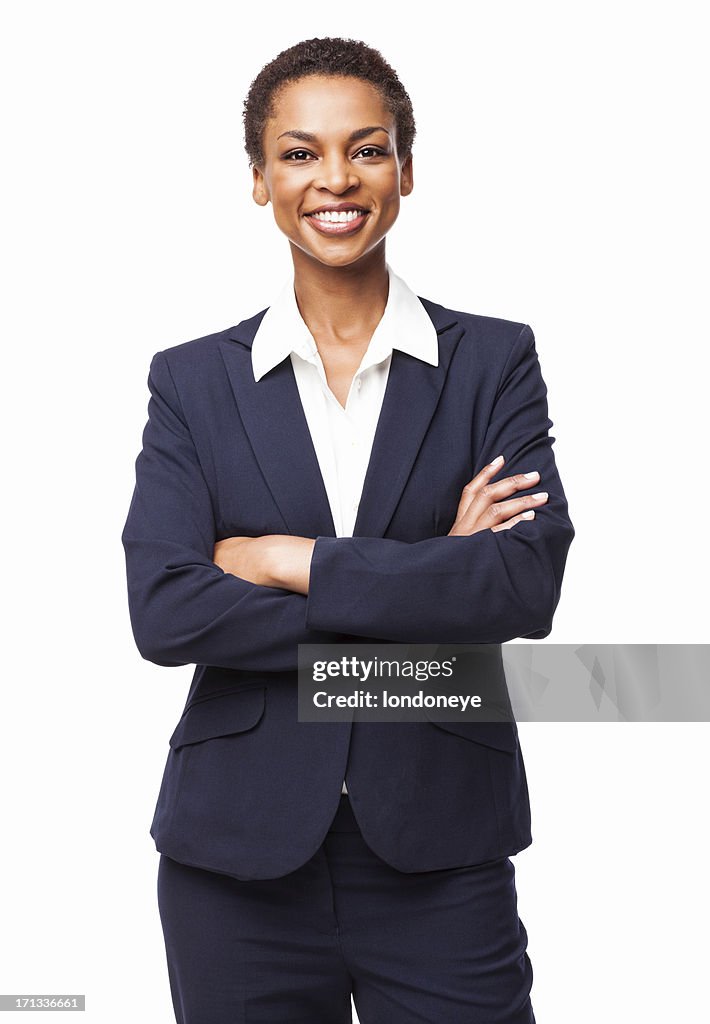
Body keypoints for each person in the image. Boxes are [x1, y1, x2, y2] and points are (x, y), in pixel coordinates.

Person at [121, 35, 574, 1024]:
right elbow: (164, 611)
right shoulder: (193, 383)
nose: (335, 178)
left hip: (439, 848)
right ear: (258, 179)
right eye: (298, 152)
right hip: (232, 867)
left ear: (405, 170)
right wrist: (430, 579)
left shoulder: (491, 361)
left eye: (365, 150)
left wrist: (288, 563)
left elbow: (520, 586)